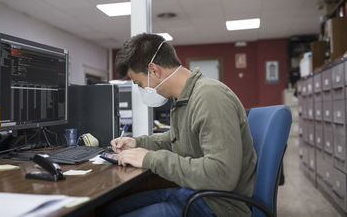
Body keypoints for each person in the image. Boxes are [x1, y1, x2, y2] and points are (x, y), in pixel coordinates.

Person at [102, 33, 257, 217]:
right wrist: (137, 143)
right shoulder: (183, 100)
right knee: (109, 210)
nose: (142, 90)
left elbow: (222, 175)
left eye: (139, 83)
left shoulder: (210, 97)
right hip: (197, 193)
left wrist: (150, 159)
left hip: (220, 207)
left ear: (154, 71)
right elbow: (173, 140)